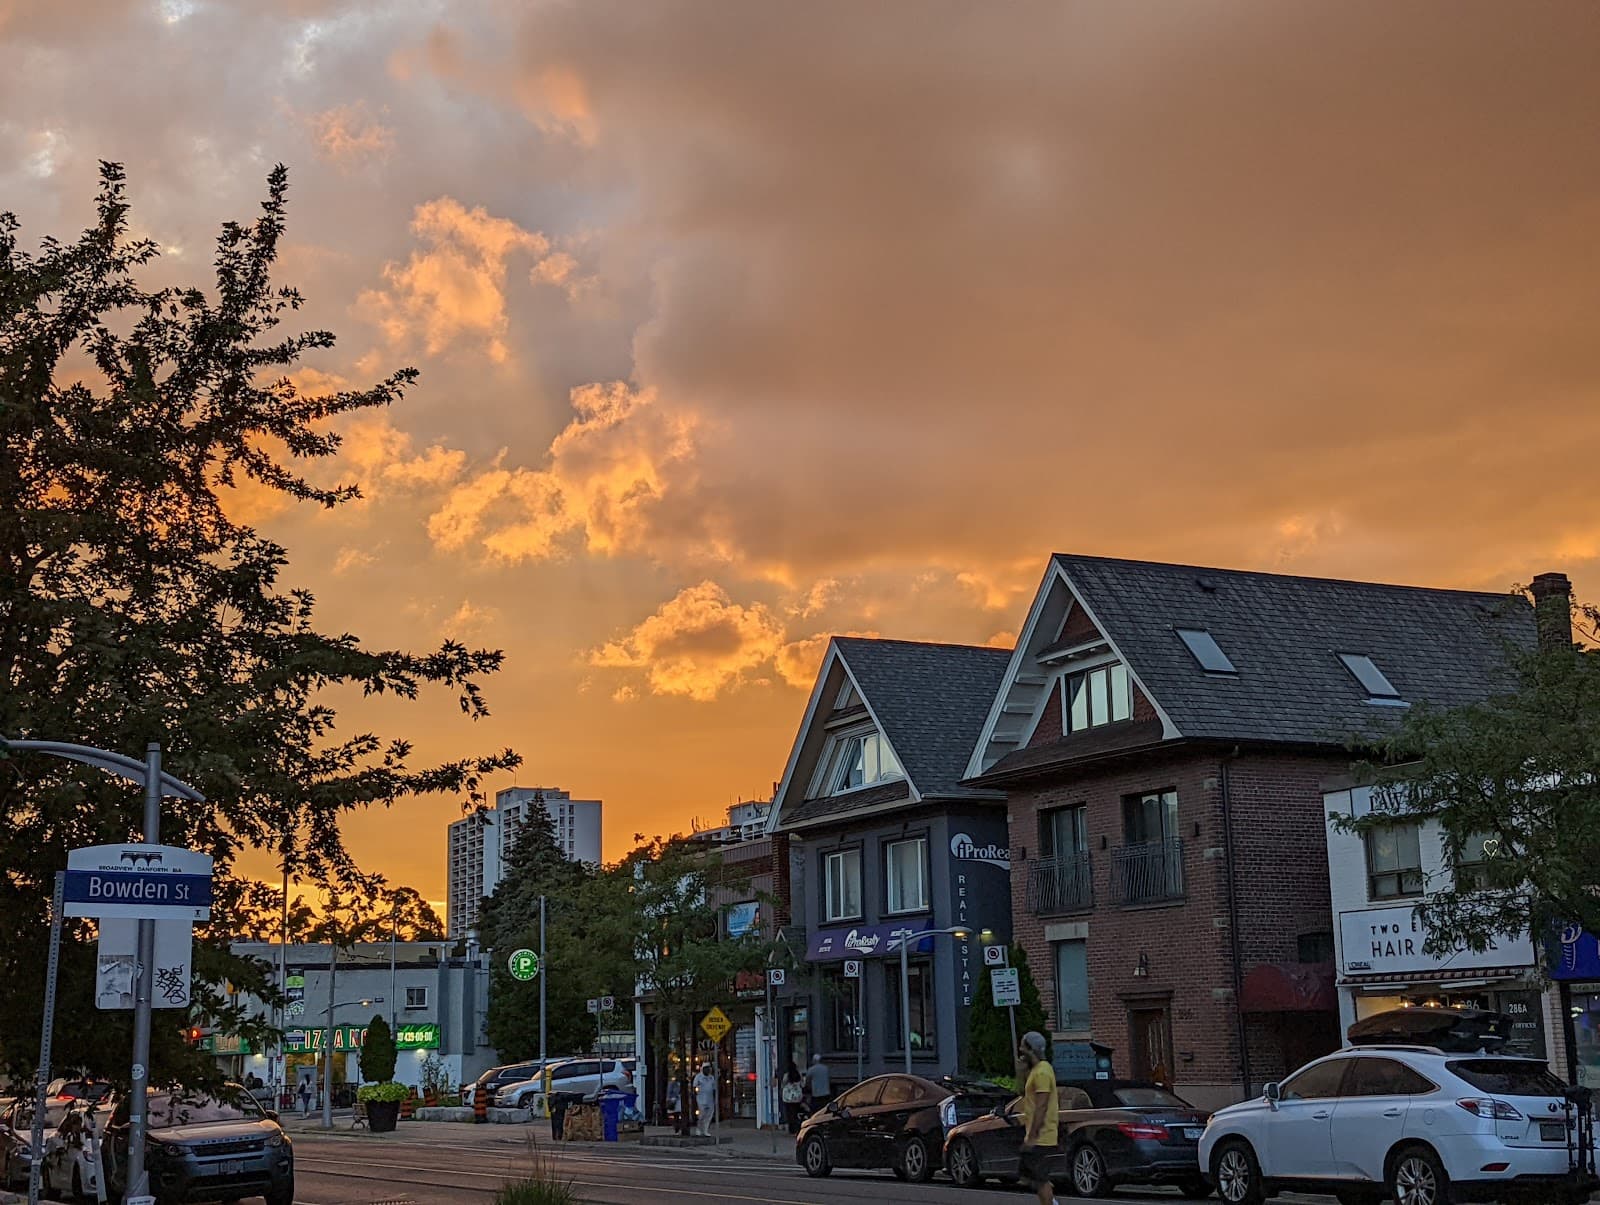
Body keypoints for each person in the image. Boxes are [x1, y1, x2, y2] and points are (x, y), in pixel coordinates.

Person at [1017, 1031, 1060, 1205]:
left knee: (1040, 1179)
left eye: (1022, 1046)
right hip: (1037, 1136)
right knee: (1031, 1177)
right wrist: (1021, 1072)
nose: (1020, 1049)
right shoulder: (1035, 1071)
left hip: (1042, 1136)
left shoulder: (1042, 1072)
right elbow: (1021, 1093)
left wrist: (1032, 1135)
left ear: (1030, 1049)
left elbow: (1042, 1106)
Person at [692, 1063, 718, 1137]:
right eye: (706, 1068)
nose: (708, 1070)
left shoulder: (711, 1078)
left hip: (710, 1099)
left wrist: (715, 1099)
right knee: (701, 1115)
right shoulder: (698, 1077)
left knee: (709, 1115)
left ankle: (705, 1130)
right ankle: (698, 1129)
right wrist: (696, 1094)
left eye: (709, 1068)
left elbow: (714, 1089)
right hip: (701, 1099)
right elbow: (694, 1087)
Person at [781, 1060, 804, 1134]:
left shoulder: (787, 1075)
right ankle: (797, 1127)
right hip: (797, 1097)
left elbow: (783, 1085)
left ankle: (792, 1129)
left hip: (788, 1098)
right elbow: (802, 1084)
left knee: (790, 1113)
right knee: (796, 1112)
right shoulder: (799, 1074)